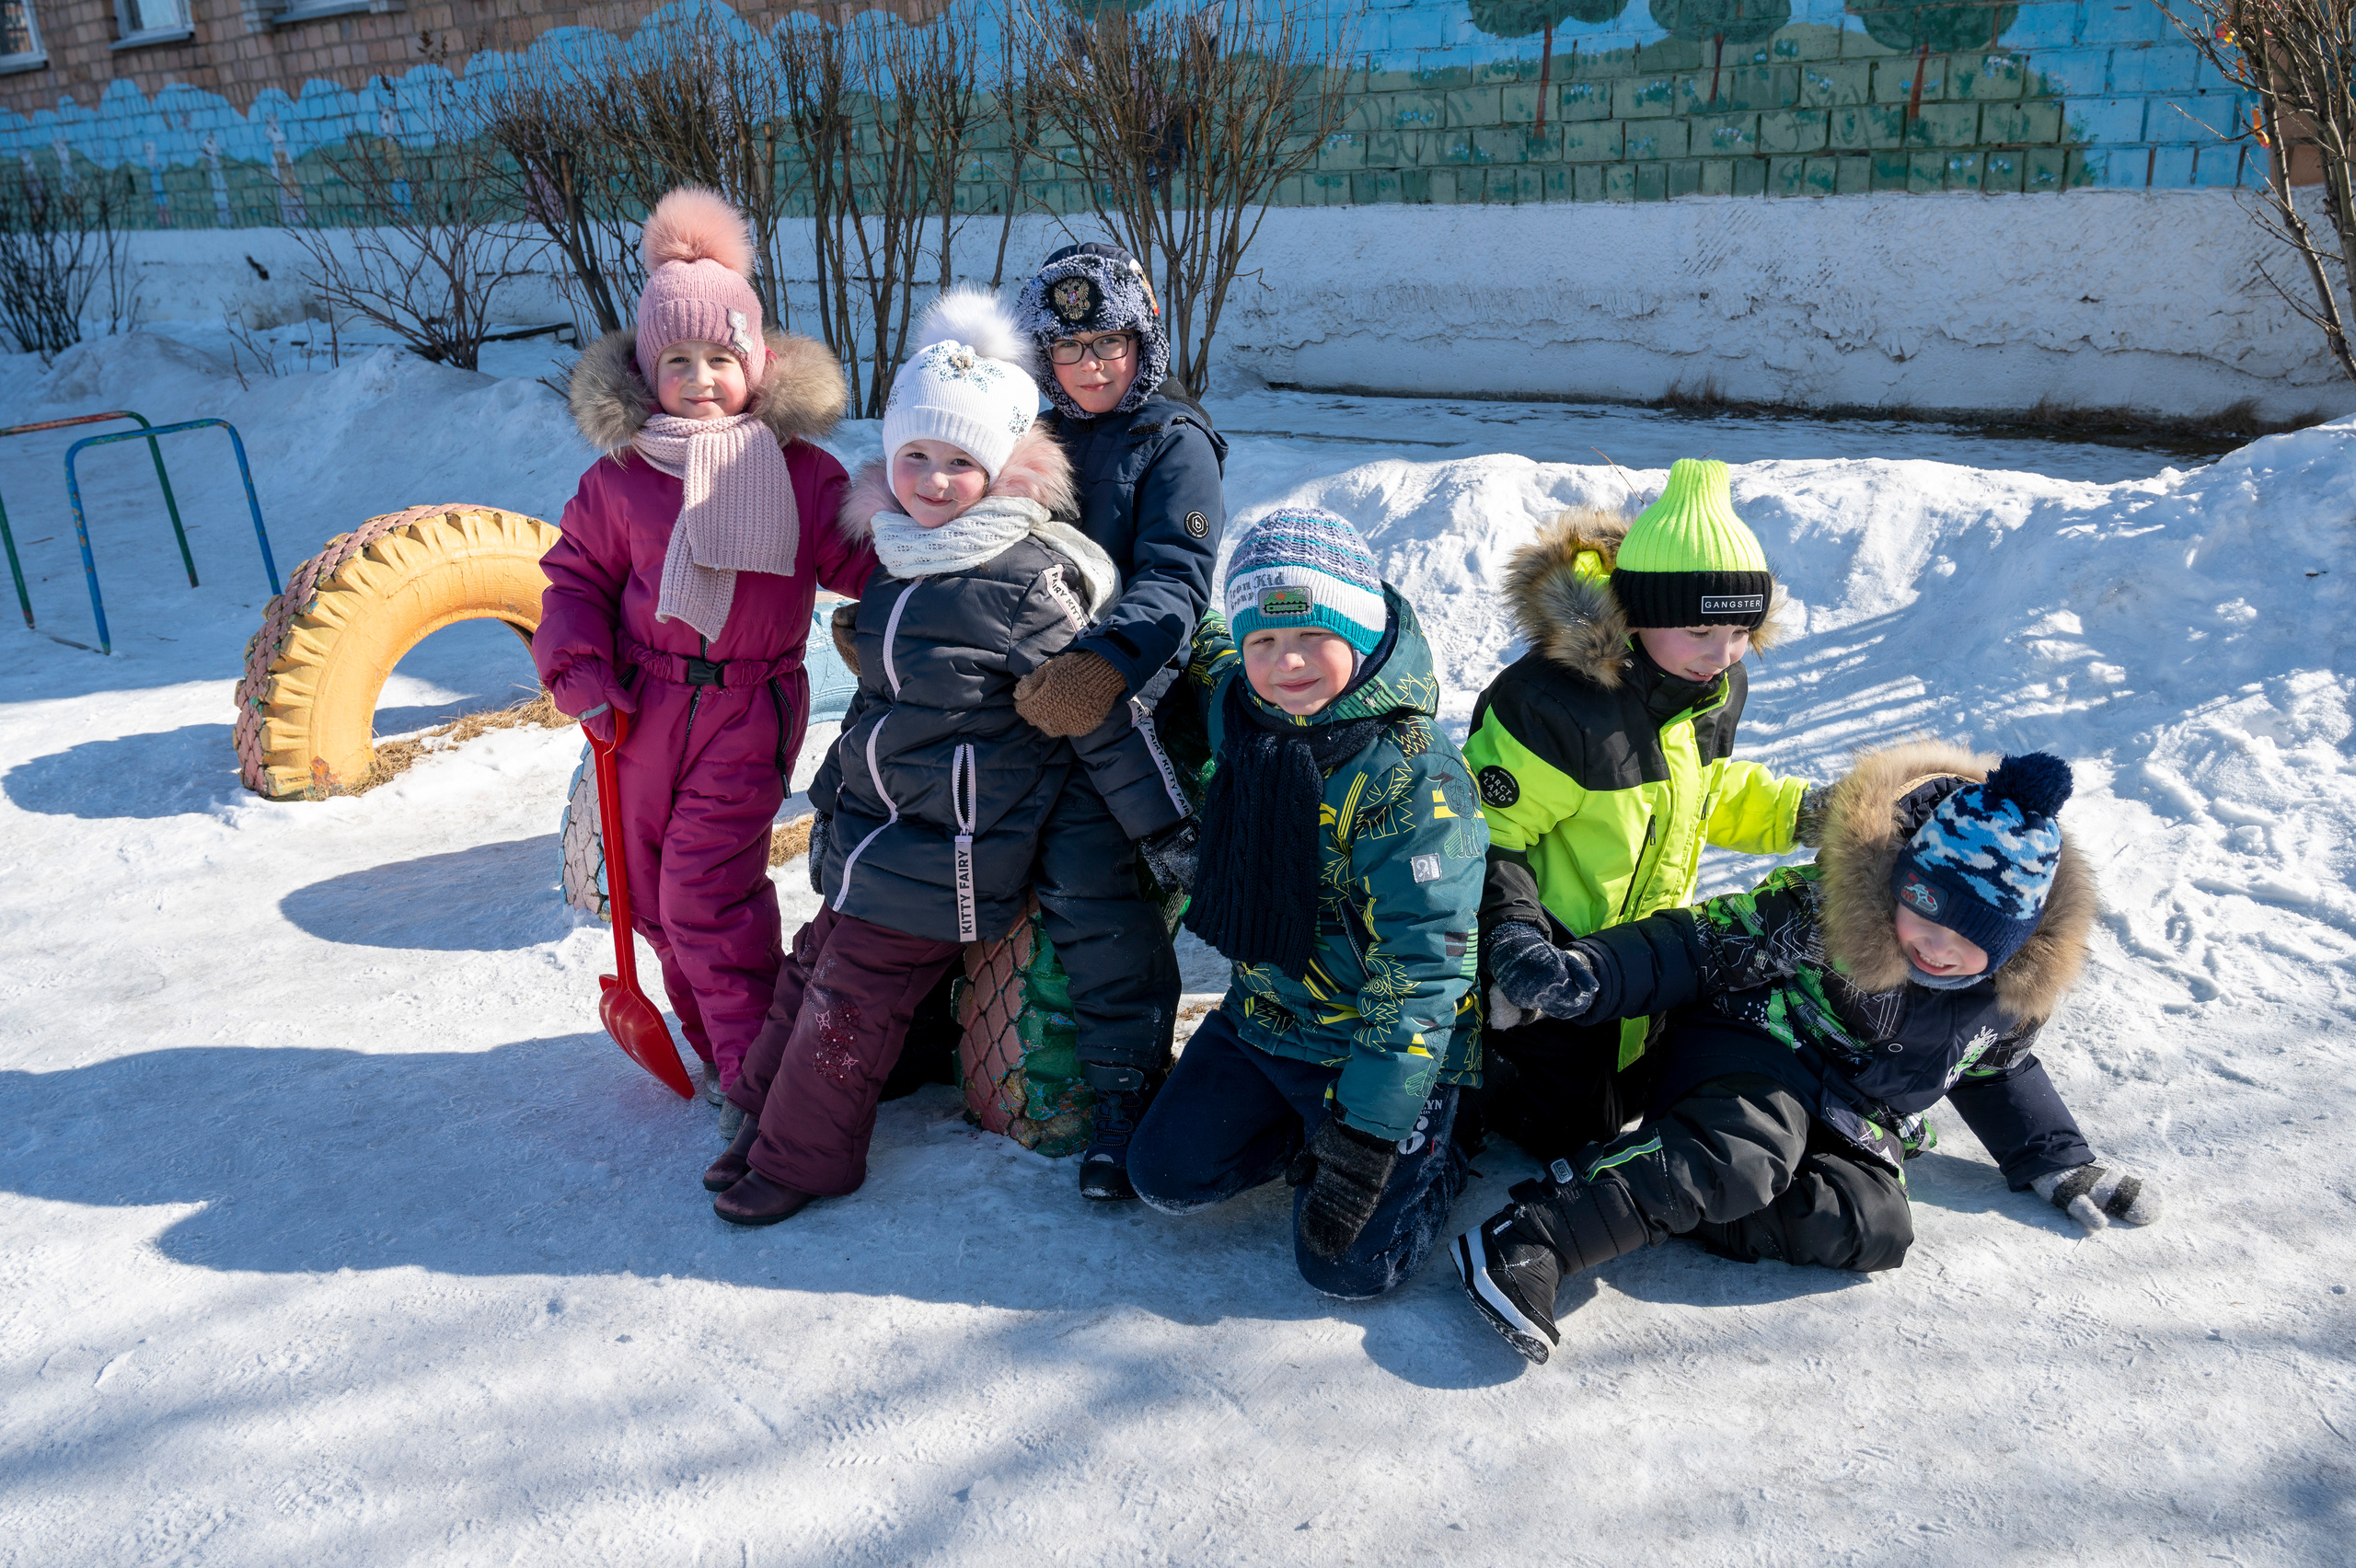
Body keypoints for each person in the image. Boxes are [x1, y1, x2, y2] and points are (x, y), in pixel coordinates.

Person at [706, 289, 1185, 1225]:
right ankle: (763, 1114)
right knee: (812, 962)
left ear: (1003, 471)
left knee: (853, 996)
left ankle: (805, 1159)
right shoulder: (904, 559)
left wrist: (1164, 828)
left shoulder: (1023, 579)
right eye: (914, 458)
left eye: (958, 463)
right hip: (882, 830)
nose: (931, 481)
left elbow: (1102, 722)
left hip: (953, 852)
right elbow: (885, 708)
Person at [1451, 744, 2162, 1365]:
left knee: (1872, 1228)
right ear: (1900, 878)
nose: (1933, 943)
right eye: (1922, 902)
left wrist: (2057, 1158)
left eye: (1967, 933)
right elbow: (1698, 945)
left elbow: (1996, 1067)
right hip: (1753, 1043)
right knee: (1742, 1155)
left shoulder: (2007, 997)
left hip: (1855, 1112)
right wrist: (1586, 976)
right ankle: (1537, 1232)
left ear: (2010, 942)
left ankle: (1663, 1192)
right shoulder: (1827, 915)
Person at [535, 187, 871, 1115]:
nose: (701, 377)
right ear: (649, 369)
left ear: (754, 362)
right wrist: (580, 669)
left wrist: (930, 552)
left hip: (745, 706)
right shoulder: (620, 477)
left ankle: (762, 1079)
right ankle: (724, 1050)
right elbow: (575, 582)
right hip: (640, 709)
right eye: (678, 359)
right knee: (647, 895)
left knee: (705, 894)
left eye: (721, 356)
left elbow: (855, 556)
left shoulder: (800, 472)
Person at [1124, 507, 1488, 1299]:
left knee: (1346, 1267)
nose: (1286, 664)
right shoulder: (1245, 713)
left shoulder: (1413, 776)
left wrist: (1365, 1143)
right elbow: (1209, 646)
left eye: (1312, 636)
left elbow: (1423, 971)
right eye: (1265, 642)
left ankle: (1434, 1152)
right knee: (1163, 1177)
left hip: (1382, 1039)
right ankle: (1305, 1131)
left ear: (1358, 629)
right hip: (1268, 1017)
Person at [1465, 457, 1821, 1166]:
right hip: (1554, 962)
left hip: (1644, 960)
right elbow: (1481, 835)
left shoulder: (1714, 684)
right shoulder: (1556, 704)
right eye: (1699, 632)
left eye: (1741, 634)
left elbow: (1699, 792)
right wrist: (1511, 939)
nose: (1722, 654)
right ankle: (1471, 1065)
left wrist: (1803, 815)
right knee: (1568, 1135)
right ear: (1644, 615)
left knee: (1677, 1094)